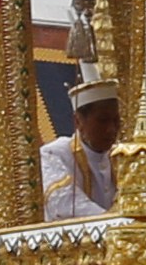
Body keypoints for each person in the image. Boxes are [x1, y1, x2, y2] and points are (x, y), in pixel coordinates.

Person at [39, 67, 125, 219]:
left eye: (116, 120)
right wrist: (112, 222)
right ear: (78, 121)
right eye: (103, 121)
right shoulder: (54, 154)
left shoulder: (121, 155)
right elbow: (62, 203)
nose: (111, 129)